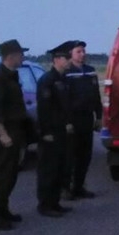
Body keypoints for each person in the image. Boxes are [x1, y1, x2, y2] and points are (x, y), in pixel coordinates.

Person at [0, 39, 31, 230]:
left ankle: (4, 209)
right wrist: (2, 134)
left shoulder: (12, 76)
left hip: (15, 130)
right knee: (2, 174)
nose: (23, 57)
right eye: (21, 54)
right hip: (5, 132)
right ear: (11, 56)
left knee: (11, 173)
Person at [36, 41, 76, 218]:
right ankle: (45, 204)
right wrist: (46, 133)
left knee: (60, 168)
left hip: (62, 132)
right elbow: (44, 110)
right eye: (67, 58)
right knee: (48, 170)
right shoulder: (48, 80)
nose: (69, 61)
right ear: (57, 60)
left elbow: (65, 106)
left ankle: (55, 202)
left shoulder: (63, 79)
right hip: (51, 133)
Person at [64, 40, 103, 200]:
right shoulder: (67, 72)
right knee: (70, 156)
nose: (82, 54)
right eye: (78, 51)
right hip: (73, 119)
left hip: (87, 118)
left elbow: (96, 96)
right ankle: (67, 188)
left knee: (85, 156)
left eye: (83, 51)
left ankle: (79, 186)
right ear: (71, 54)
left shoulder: (90, 71)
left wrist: (99, 117)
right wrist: (67, 121)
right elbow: (64, 100)